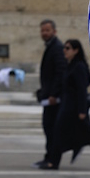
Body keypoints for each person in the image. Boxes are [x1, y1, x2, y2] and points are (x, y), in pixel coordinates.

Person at [37, 39, 90, 171]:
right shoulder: (70, 65)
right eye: (64, 48)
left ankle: (54, 162)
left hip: (74, 108)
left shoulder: (79, 67)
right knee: (88, 134)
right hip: (67, 106)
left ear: (76, 51)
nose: (64, 51)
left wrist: (82, 111)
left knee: (61, 132)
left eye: (68, 48)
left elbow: (82, 90)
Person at [34, 19, 66, 168]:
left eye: (47, 30)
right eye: (42, 30)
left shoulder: (57, 48)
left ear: (54, 31)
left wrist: (54, 94)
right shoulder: (51, 47)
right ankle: (49, 158)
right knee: (49, 128)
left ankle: (52, 160)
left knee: (51, 128)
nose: (44, 33)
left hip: (54, 99)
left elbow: (60, 73)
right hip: (48, 96)